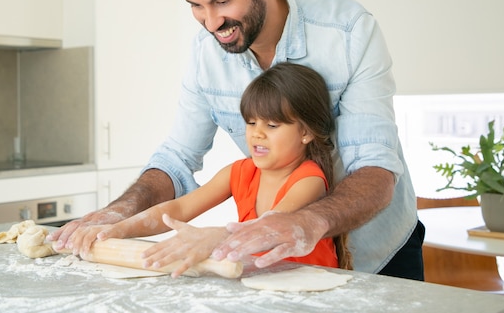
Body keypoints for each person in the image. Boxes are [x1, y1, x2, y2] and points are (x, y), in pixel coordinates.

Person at [49, 0, 424, 280]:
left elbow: (374, 168)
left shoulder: (348, 31)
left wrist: (300, 224)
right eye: (196, 6)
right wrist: (117, 216)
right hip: (279, 264)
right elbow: (177, 160)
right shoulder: (205, 53)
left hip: (380, 250)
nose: (211, 23)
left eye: (223, 1)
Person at [94, 63, 352, 277]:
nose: (257, 134)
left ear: (305, 132)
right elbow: (180, 208)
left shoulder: (309, 180)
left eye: (272, 125)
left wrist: (213, 238)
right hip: (263, 286)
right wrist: (118, 228)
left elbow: (269, 225)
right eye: (251, 122)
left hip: (314, 291)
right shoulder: (239, 172)